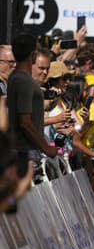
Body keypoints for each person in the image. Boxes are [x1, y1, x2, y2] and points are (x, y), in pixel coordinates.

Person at [8, 34, 58, 180]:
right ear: (33, 55)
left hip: (24, 150)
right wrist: (46, 147)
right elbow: (25, 122)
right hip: (24, 152)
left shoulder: (16, 78)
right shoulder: (24, 81)